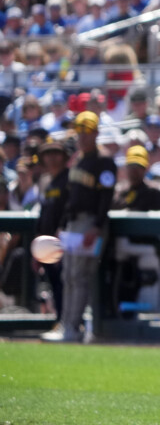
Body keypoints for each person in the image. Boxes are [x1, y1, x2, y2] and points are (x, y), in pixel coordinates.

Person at [57, 111, 115, 343]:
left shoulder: (104, 161)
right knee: (68, 275)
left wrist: (97, 226)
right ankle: (65, 324)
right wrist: (63, 225)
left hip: (90, 222)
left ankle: (72, 327)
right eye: (79, 131)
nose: (82, 136)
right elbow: (71, 197)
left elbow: (106, 197)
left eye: (86, 131)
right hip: (73, 223)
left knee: (79, 275)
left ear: (96, 133)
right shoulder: (79, 160)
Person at [112, 145, 160, 312]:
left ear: (145, 168)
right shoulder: (121, 191)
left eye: (138, 167)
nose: (134, 171)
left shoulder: (153, 191)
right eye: (131, 167)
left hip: (145, 246)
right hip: (120, 250)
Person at [34, 139, 68, 335]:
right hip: (45, 243)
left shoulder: (68, 179)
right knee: (54, 284)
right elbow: (43, 212)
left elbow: (68, 210)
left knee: (64, 283)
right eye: (48, 154)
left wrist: (61, 232)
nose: (52, 158)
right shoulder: (46, 181)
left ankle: (66, 321)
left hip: (62, 242)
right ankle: (59, 320)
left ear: (63, 157)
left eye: (56, 153)